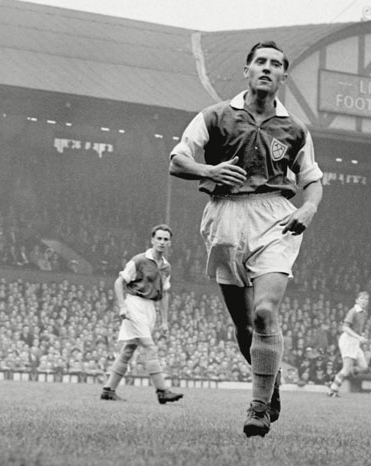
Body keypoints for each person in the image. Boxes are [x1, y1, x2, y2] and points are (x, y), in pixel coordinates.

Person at [169, 40, 323, 437]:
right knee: (243, 326)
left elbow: (312, 180)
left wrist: (307, 209)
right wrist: (211, 171)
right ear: (247, 70)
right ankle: (269, 387)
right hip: (225, 216)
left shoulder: (295, 129)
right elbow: (177, 160)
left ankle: (257, 407)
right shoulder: (215, 116)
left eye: (275, 64)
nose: (267, 68)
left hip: (274, 216)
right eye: (260, 62)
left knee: (264, 313)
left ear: (284, 76)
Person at [100, 224, 183, 404]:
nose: (162, 242)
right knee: (149, 347)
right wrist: (122, 306)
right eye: (159, 238)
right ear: (152, 240)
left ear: (170, 243)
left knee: (129, 349)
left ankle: (108, 390)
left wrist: (165, 321)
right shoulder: (139, 260)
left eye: (165, 239)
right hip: (134, 304)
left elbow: (165, 293)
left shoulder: (166, 267)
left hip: (150, 308)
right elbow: (119, 282)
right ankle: (162, 391)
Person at [328, 291, 370, 397]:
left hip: (355, 341)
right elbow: (345, 327)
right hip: (348, 340)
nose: (364, 301)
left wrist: (361, 335)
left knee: (364, 367)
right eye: (362, 298)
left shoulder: (364, 313)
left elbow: (357, 328)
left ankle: (347, 371)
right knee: (346, 369)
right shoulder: (353, 311)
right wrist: (358, 337)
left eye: (366, 299)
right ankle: (333, 390)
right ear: (357, 300)